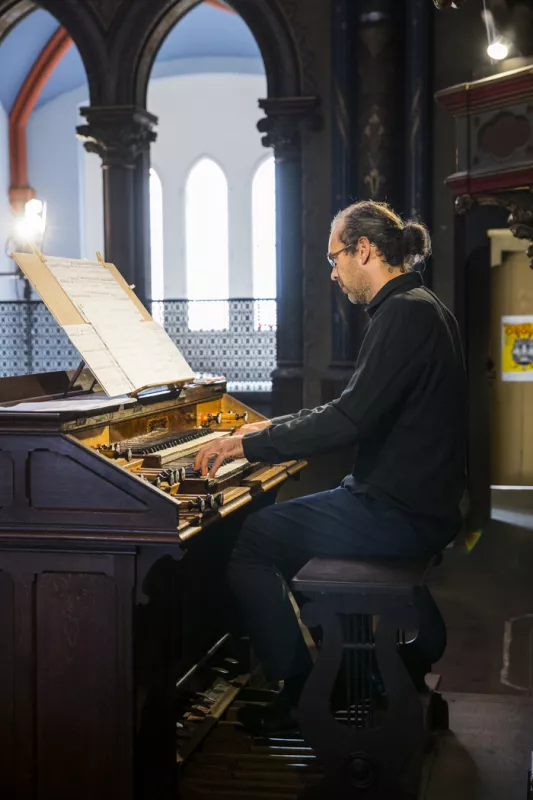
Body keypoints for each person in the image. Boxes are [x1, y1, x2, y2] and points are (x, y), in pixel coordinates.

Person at [194, 200, 466, 734]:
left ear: (364, 249)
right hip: (414, 501)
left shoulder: (404, 313)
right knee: (284, 530)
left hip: (397, 510)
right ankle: (353, 669)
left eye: (334, 257)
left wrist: (250, 447)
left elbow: (349, 421)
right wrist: (264, 430)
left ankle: (303, 693)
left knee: (251, 541)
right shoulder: (421, 304)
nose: (334, 273)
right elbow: (354, 404)